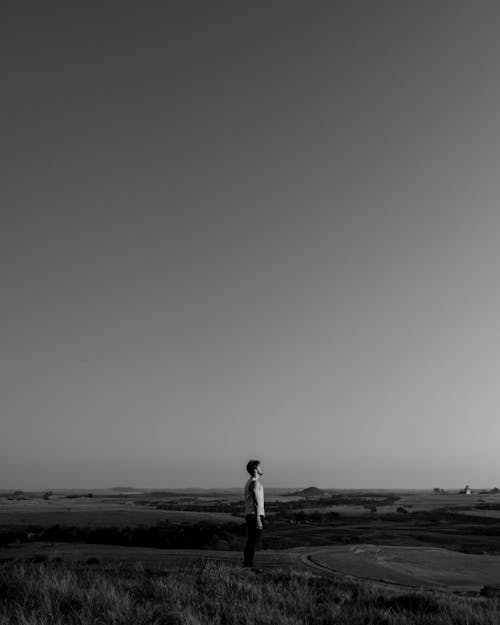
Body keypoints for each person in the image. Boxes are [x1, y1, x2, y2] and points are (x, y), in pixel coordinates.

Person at [243, 459, 265, 569]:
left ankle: (247, 565)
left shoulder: (251, 482)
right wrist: (258, 520)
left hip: (251, 514)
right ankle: (248, 566)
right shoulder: (254, 483)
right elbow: (256, 503)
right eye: (259, 467)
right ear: (255, 469)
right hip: (254, 515)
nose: (261, 468)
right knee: (253, 542)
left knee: (251, 541)